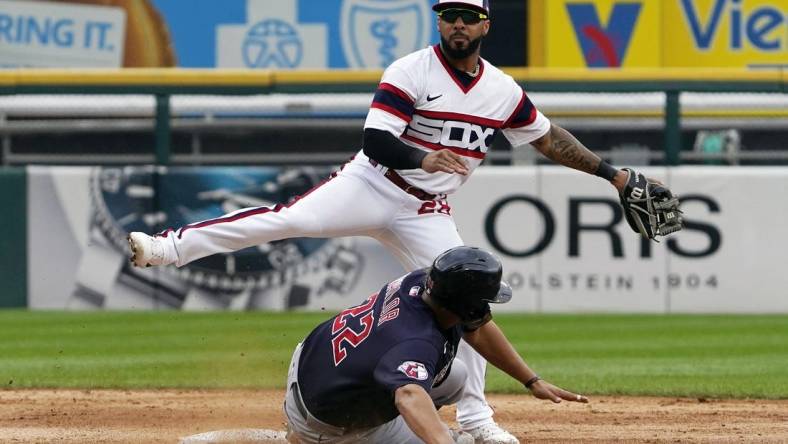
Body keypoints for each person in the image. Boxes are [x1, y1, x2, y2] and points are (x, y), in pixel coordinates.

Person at [128, 0, 628, 442]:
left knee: (469, 298)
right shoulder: (411, 70)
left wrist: (614, 175)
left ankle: (477, 420)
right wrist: (423, 158)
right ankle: (170, 248)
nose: (456, 24)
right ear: (439, 21)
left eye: (468, 17)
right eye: (448, 15)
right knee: (287, 219)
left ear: (485, 25)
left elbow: (545, 138)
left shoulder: (501, 91)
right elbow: (376, 140)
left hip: (425, 211)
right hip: (373, 183)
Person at [283, 246, 588, 443]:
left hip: (312, 363)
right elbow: (409, 395)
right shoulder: (415, 341)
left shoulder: (422, 283)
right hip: (324, 420)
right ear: (465, 305)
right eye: (483, 301)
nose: (486, 308)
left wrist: (530, 380)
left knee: (455, 377)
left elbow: (479, 332)